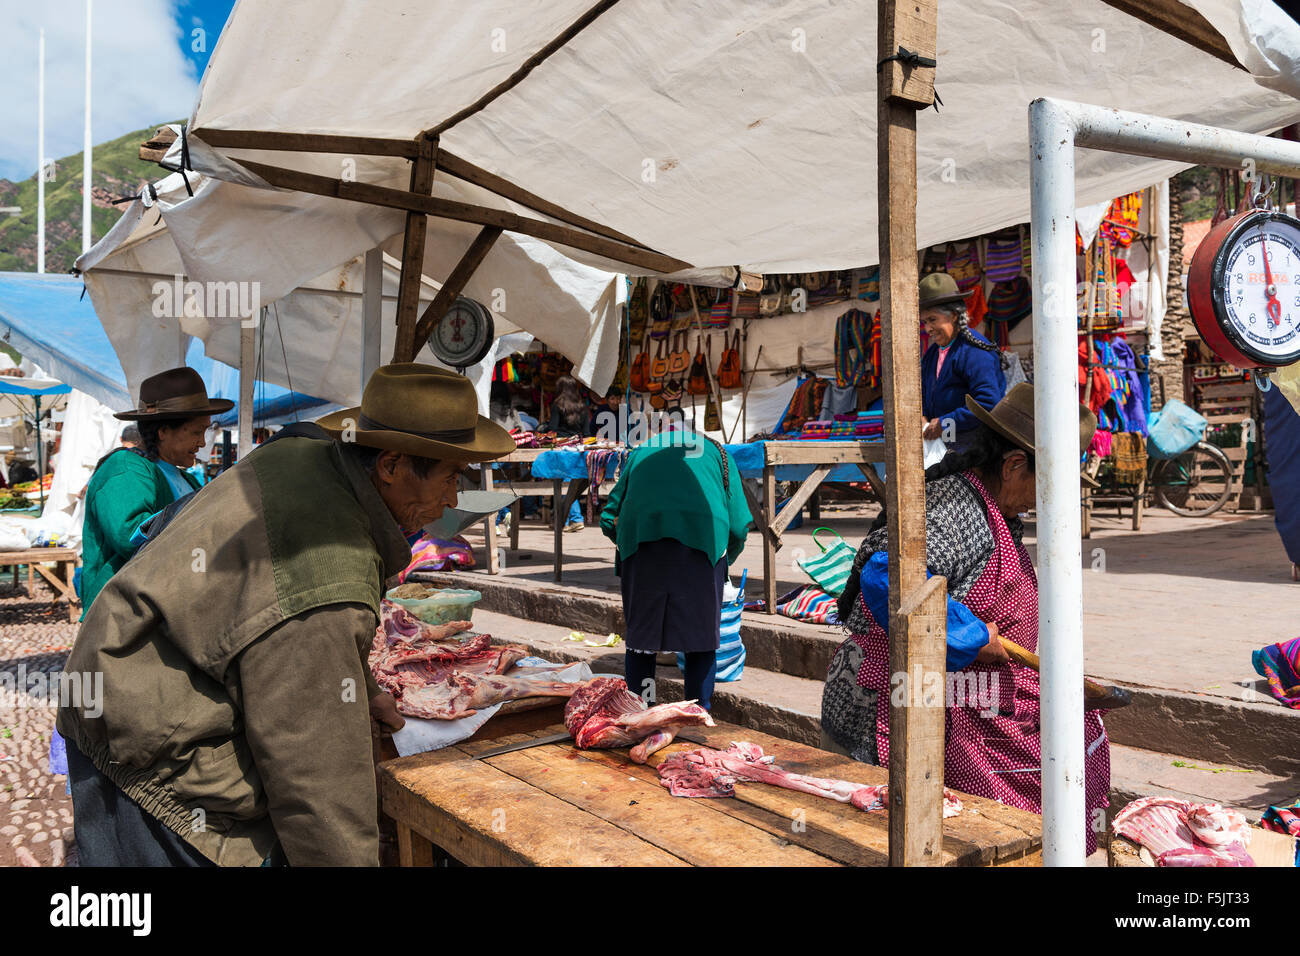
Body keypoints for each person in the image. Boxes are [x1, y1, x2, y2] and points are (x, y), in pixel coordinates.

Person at [57, 364, 515, 866]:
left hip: (124, 690)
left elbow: (284, 631)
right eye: (449, 478)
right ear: (390, 465)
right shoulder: (324, 565)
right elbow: (317, 781)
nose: (453, 499)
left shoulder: (309, 459)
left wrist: (364, 689)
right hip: (148, 748)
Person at [819, 383, 1111, 854]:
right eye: (1048, 483)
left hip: (960, 698)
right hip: (883, 706)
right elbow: (887, 576)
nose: (1048, 501)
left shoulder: (994, 507)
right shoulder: (953, 507)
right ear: (1014, 465)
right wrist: (970, 635)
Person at [600, 426, 751, 711]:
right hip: (702, 544)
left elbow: (610, 517)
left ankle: (643, 709)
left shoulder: (642, 450)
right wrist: (722, 562)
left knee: (642, 641)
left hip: (641, 544)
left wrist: (629, 544)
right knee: (699, 638)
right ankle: (697, 710)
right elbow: (739, 525)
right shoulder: (719, 454)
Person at [79, 367, 232, 615]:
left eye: (205, 431)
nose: (203, 442)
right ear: (163, 431)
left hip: (167, 614)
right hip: (124, 618)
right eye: (196, 431)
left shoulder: (186, 480)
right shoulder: (127, 468)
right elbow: (130, 537)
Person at [920, 273, 1006, 454]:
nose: (928, 329)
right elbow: (924, 394)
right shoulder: (932, 355)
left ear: (952, 315)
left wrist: (945, 423)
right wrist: (921, 417)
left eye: (933, 320)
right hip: (943, 449)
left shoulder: (974, 351)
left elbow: (988, 403)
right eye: (925, 322)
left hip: (974, 451)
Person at [549, 375, 595, 531]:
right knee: (572, 483)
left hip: (562, 447)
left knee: (564, 484)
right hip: (578, 448)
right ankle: (571, 519)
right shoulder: (582, 407)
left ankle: (573, 519)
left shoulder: (557, 406)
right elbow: (587, 432)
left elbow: (553, 429)